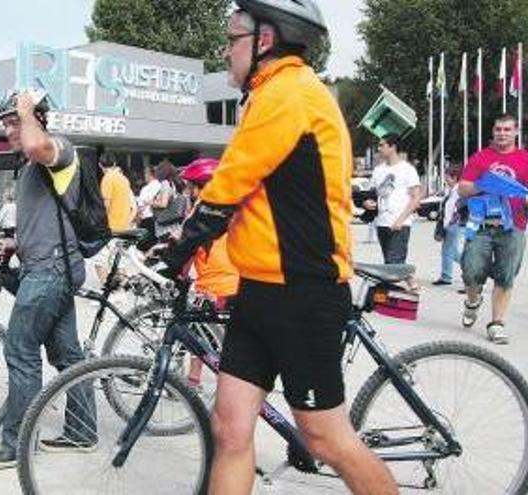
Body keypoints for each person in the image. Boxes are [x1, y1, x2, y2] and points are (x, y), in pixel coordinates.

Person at [160, 3, 397, 494]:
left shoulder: (289, 92)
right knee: (229, 428)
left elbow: (232, 182)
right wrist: (173, 235)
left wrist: (183, 242)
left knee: (326, 439)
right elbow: (250, 192)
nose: (225, 51)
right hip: (260, 291)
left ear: (264, 40)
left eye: (232, 39)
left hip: (302, 291)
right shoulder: (272, 94)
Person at [0, 89, 95, 469]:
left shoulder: (57, 150)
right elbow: (44, 221)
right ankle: (82, 431)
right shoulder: (30, 168)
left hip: (51, 270)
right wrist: (15, 244)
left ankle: (16, 443)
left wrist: (27, 111)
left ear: (38, 118)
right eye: (7, 123)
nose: (10, 130)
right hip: (46, 265)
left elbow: (35, 145)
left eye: (15, 121)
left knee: (20, 350)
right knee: (68, 357)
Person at [458, 114, 528, 344]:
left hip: (513, 227)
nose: (502, 133)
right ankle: (472, 300)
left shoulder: (524, 159)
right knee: (470, 271)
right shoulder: (481, 158)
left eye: (507, 129)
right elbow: (463, 188)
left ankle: (496, 323)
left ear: (516, 132)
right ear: (493, 131)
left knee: (506, 276)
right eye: (498, 129)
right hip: (481, 226)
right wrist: (484, 185)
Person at [179, 158, 239, 390]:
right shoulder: (230, 207)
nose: (189, 192)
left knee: (197, 333)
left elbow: (188, 248)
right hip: (236, 282)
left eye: (192, 186)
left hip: (214, 285)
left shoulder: (204, 210)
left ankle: (194, 382)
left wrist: (180, 274)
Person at [364, 134, 422, 290]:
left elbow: (416, 197)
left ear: (393, 147)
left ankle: (388, 293)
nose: (379, 148)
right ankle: (410, 278)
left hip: (400, 223)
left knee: (392, 261)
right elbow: (372, 194)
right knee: (391, 261)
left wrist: (401, 220)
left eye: (382, 145)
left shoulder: (407, 169)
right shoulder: (378, 170)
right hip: (382, 221)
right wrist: (368, 203)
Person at [432, 166, 464, 286]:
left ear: (454, 177)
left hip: (454, 224)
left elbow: (460, 207)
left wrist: (453, 220)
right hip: (451, 224)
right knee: (453, 252)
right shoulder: (452, 190)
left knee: (447, 251)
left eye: (447, 178)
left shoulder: (459, 190)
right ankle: (472, 266)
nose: (445, 181)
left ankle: (446, 277)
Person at [99, 151, 135, 232]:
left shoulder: (107, 179)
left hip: (113, 226)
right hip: (125, 225)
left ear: (100, 165)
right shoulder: (124, 179)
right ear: (114, 164)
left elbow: (106, 205)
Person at [152, 159, 187, 240]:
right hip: (174, 224)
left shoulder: (165, 183)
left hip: (165, 226)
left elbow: (163, 204)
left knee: (164, 248)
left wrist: (151, 203)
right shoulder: (174, 184)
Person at [135, 166, 161, 250]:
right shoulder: (160, 185)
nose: (144, 176)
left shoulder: (147, 188)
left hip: (147, 218)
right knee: (152, 245)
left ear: (150, 174)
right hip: (155, 219)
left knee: (142, 246)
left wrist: (136, 216)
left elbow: (142, 204)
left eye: (145, 173)